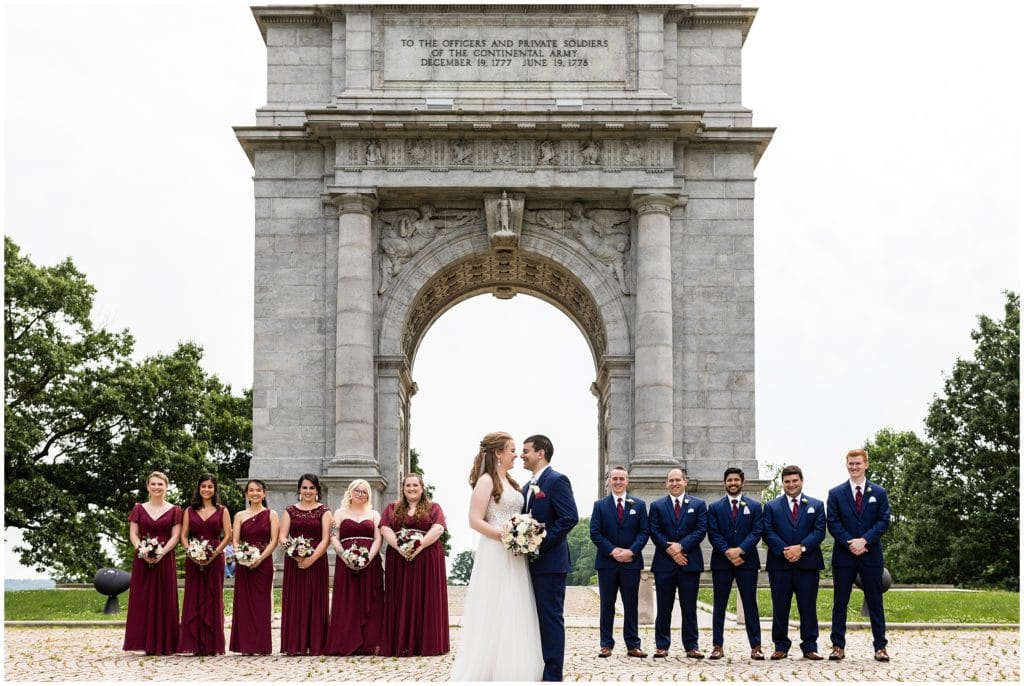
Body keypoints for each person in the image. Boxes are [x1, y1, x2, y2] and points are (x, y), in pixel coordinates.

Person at [451, 431, 543, 681]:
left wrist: (523, 534)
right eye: (512, 449)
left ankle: (513, 667)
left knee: (515, 606)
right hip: (495, 551)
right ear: (498, 453)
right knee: (494, 607)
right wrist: (505, 536)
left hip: (515, 553)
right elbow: (474, 520)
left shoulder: (513, 483)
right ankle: (486, 670)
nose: (517, 454)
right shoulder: (486, 481)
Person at [521, 434, 579, 682]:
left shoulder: (557, 481)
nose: (522, 455)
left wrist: (539, 543)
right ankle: (535, 665)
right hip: (527, 563)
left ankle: (553, 674)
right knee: (532, 617)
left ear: (541, 452)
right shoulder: (525, 487)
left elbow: (569, 517)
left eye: (526, 451)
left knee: (550, 617)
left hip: (551, 563)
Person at [827, 449, 892, 662]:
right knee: (840, 602)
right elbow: (833, 522)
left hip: (870, 554)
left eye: (858, 463)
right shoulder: (835, 493)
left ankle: (880, 647)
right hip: (844, 556)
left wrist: (864, 541)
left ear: (866, 465)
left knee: (875, 601)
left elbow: (883, 520)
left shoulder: (879, 493)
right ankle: (838, 646)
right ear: (846, 465)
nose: (854, 467)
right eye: (850, 464)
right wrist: (850, 542)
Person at [380, 473, 450, 656]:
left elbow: (438, 528)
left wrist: (418, 547)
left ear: (422, 487)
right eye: (408, 485)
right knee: (401, 596)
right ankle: (401, 642)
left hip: (427, 558)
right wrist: (400, 547)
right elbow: (385, 528)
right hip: (399, 559)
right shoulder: (392, 508)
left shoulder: (434, 507)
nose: (411, 488)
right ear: (403, 488)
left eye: (415, 485)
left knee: (425, 597)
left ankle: (426, 643)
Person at [761, 465, 826, 660]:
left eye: (794, 481)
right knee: (780, 606)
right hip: (780, 564)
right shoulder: (771, 506)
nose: (791, 484)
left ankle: (810, 646)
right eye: (787, 481)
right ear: (782, 483)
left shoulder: (816, 504)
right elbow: (768, 531)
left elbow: (819, 531)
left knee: (808, 606)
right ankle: (780, 645)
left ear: (802, 481)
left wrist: (801, 548)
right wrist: (784, 550)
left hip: (808, 564)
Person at [589, 465, 649, 658]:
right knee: (607, 604)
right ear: (609, 481)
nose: (618, 482)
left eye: (621, 479)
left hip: (631, 563)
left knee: (631, 604)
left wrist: (631, 551)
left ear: (627, 481)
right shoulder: (600, 506)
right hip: (607, 563)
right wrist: (613, 551)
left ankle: (633, 645)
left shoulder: (638, 505)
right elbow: (595, 533)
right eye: (614, 478)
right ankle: (606, 644)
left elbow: (644, 532)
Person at [648, 467, 707, 659]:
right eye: (671, 480)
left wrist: (681, 546)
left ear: (685, 481)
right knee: (664, 607)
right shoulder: (657, 506)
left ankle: (691, 645)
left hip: (689, 563)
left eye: (677, 480)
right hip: (664, 564)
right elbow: (654, 531)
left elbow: (700, 530)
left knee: (689, 607)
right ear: (666, 484)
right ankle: (662, 645)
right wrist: (671, 551)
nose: (674, 483)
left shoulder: (698, 505)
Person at [707, 467, 764, 660]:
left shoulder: (755, 506)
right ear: (725, 483)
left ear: (742, 482)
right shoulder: (714, 508)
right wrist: (727, 551)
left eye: (736, 480)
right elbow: (713, 533)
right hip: (721, 562)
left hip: (746, 562)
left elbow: (756, 532)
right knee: (719, 604)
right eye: (729, 480)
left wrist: (740, 550)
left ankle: (756, 646)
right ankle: (717, 645)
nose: (733, 483)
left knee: (750, 604)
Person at [123, 471, 182, 655]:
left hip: (165, 559)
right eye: (153, 484)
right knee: (142, 598)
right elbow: (133, 533)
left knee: (165, 598)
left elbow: (176, 536)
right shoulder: (139, 509)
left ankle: (166, 643)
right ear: (148, 487)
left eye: (160, 484)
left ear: (167, 486)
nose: (157, 487)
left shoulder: (175, 510)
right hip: (142, 560)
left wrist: (162, 552)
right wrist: (142, 550)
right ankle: (142, 641)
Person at [326, 479, 384, 656]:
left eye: (364, 491)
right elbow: (333, 537)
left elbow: (378, 539)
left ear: (368, 494)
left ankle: (370, 643)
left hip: (370, 564)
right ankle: (346, 642)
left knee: (373, 601)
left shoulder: (374, 514)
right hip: (346, 563)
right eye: (357, 490)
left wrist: (368, 558)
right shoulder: (339, 513)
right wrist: (344, 556)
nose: (360, 494)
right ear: (350, 492)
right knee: (348, 601)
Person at [278, 473, 332, 655]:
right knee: (295, 600)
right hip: (294, 563)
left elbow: (326, 539)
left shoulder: (324, 511)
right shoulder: (289, 510)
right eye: (304, 487)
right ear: (299, 489)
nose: (308, 491)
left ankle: (316, 644)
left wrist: (310, 559)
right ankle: (295, 645)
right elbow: (282, 536)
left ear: (317, 490)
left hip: (317, 561)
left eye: (311, 488)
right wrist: (295, 554)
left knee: (315, 600)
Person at [178, 473, 232, 655]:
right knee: (193, 596)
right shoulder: (189, 511)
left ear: (215, 489)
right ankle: (193, 644)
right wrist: (191, 552)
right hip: (193, 557)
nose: (207, 490)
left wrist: (216, 553)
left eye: (210, 486)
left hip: (215, 556)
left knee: (213, 595)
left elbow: (228, 535)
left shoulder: (222, 510)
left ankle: (213, 645)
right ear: (198, 488)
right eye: (203, 486)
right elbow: (183, 536)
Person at [230, 479, 279, 655]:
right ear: (246, 494)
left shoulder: (271, 514)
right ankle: (245, 646)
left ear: (264, 493)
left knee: (261, 603)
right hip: (244, 564)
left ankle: (261, 645)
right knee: (244, 603)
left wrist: (260, 558)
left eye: (258, 490)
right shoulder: (239, 516)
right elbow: (235, 540)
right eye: (251, 490)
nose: (255, 493)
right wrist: (242, 557)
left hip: (263, 562)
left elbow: (274, 540)